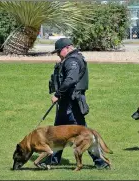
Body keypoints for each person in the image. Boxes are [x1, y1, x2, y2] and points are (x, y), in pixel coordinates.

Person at [42, 38, 109, 169]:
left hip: (72, 103)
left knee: (84, 133)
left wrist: (57, 94)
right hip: (67, 102)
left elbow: (71, 80)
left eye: (58, 51)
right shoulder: (72, 59)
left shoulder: (72, 61)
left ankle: (100, 162)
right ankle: (53, 159)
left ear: (66, 48)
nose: (57, 54)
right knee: (57, 132)